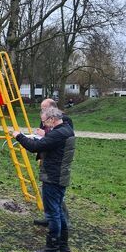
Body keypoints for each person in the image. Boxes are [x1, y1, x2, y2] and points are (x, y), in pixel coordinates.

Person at [12, 107, 75, 252]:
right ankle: (62, 246)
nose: (44, 125)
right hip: (60, 177)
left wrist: (19, 136)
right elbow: (47, 143)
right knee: (58, 211)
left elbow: (35, 147)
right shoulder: (66, 129)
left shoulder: (58, 133)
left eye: (45, 121)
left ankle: (52, 249)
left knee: (53, 213)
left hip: (53, 178)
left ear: (52, 119)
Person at [33, 98, 73, 230]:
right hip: (47, 157)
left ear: (52, 109)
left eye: (44, 108)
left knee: (56, 195)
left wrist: (44, 134)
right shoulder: (45, 118)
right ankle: (48, 216)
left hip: (57, 163)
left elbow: (60, 138)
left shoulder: (65, 120)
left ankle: (64, 222)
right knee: (48, 194)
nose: (42, 111)